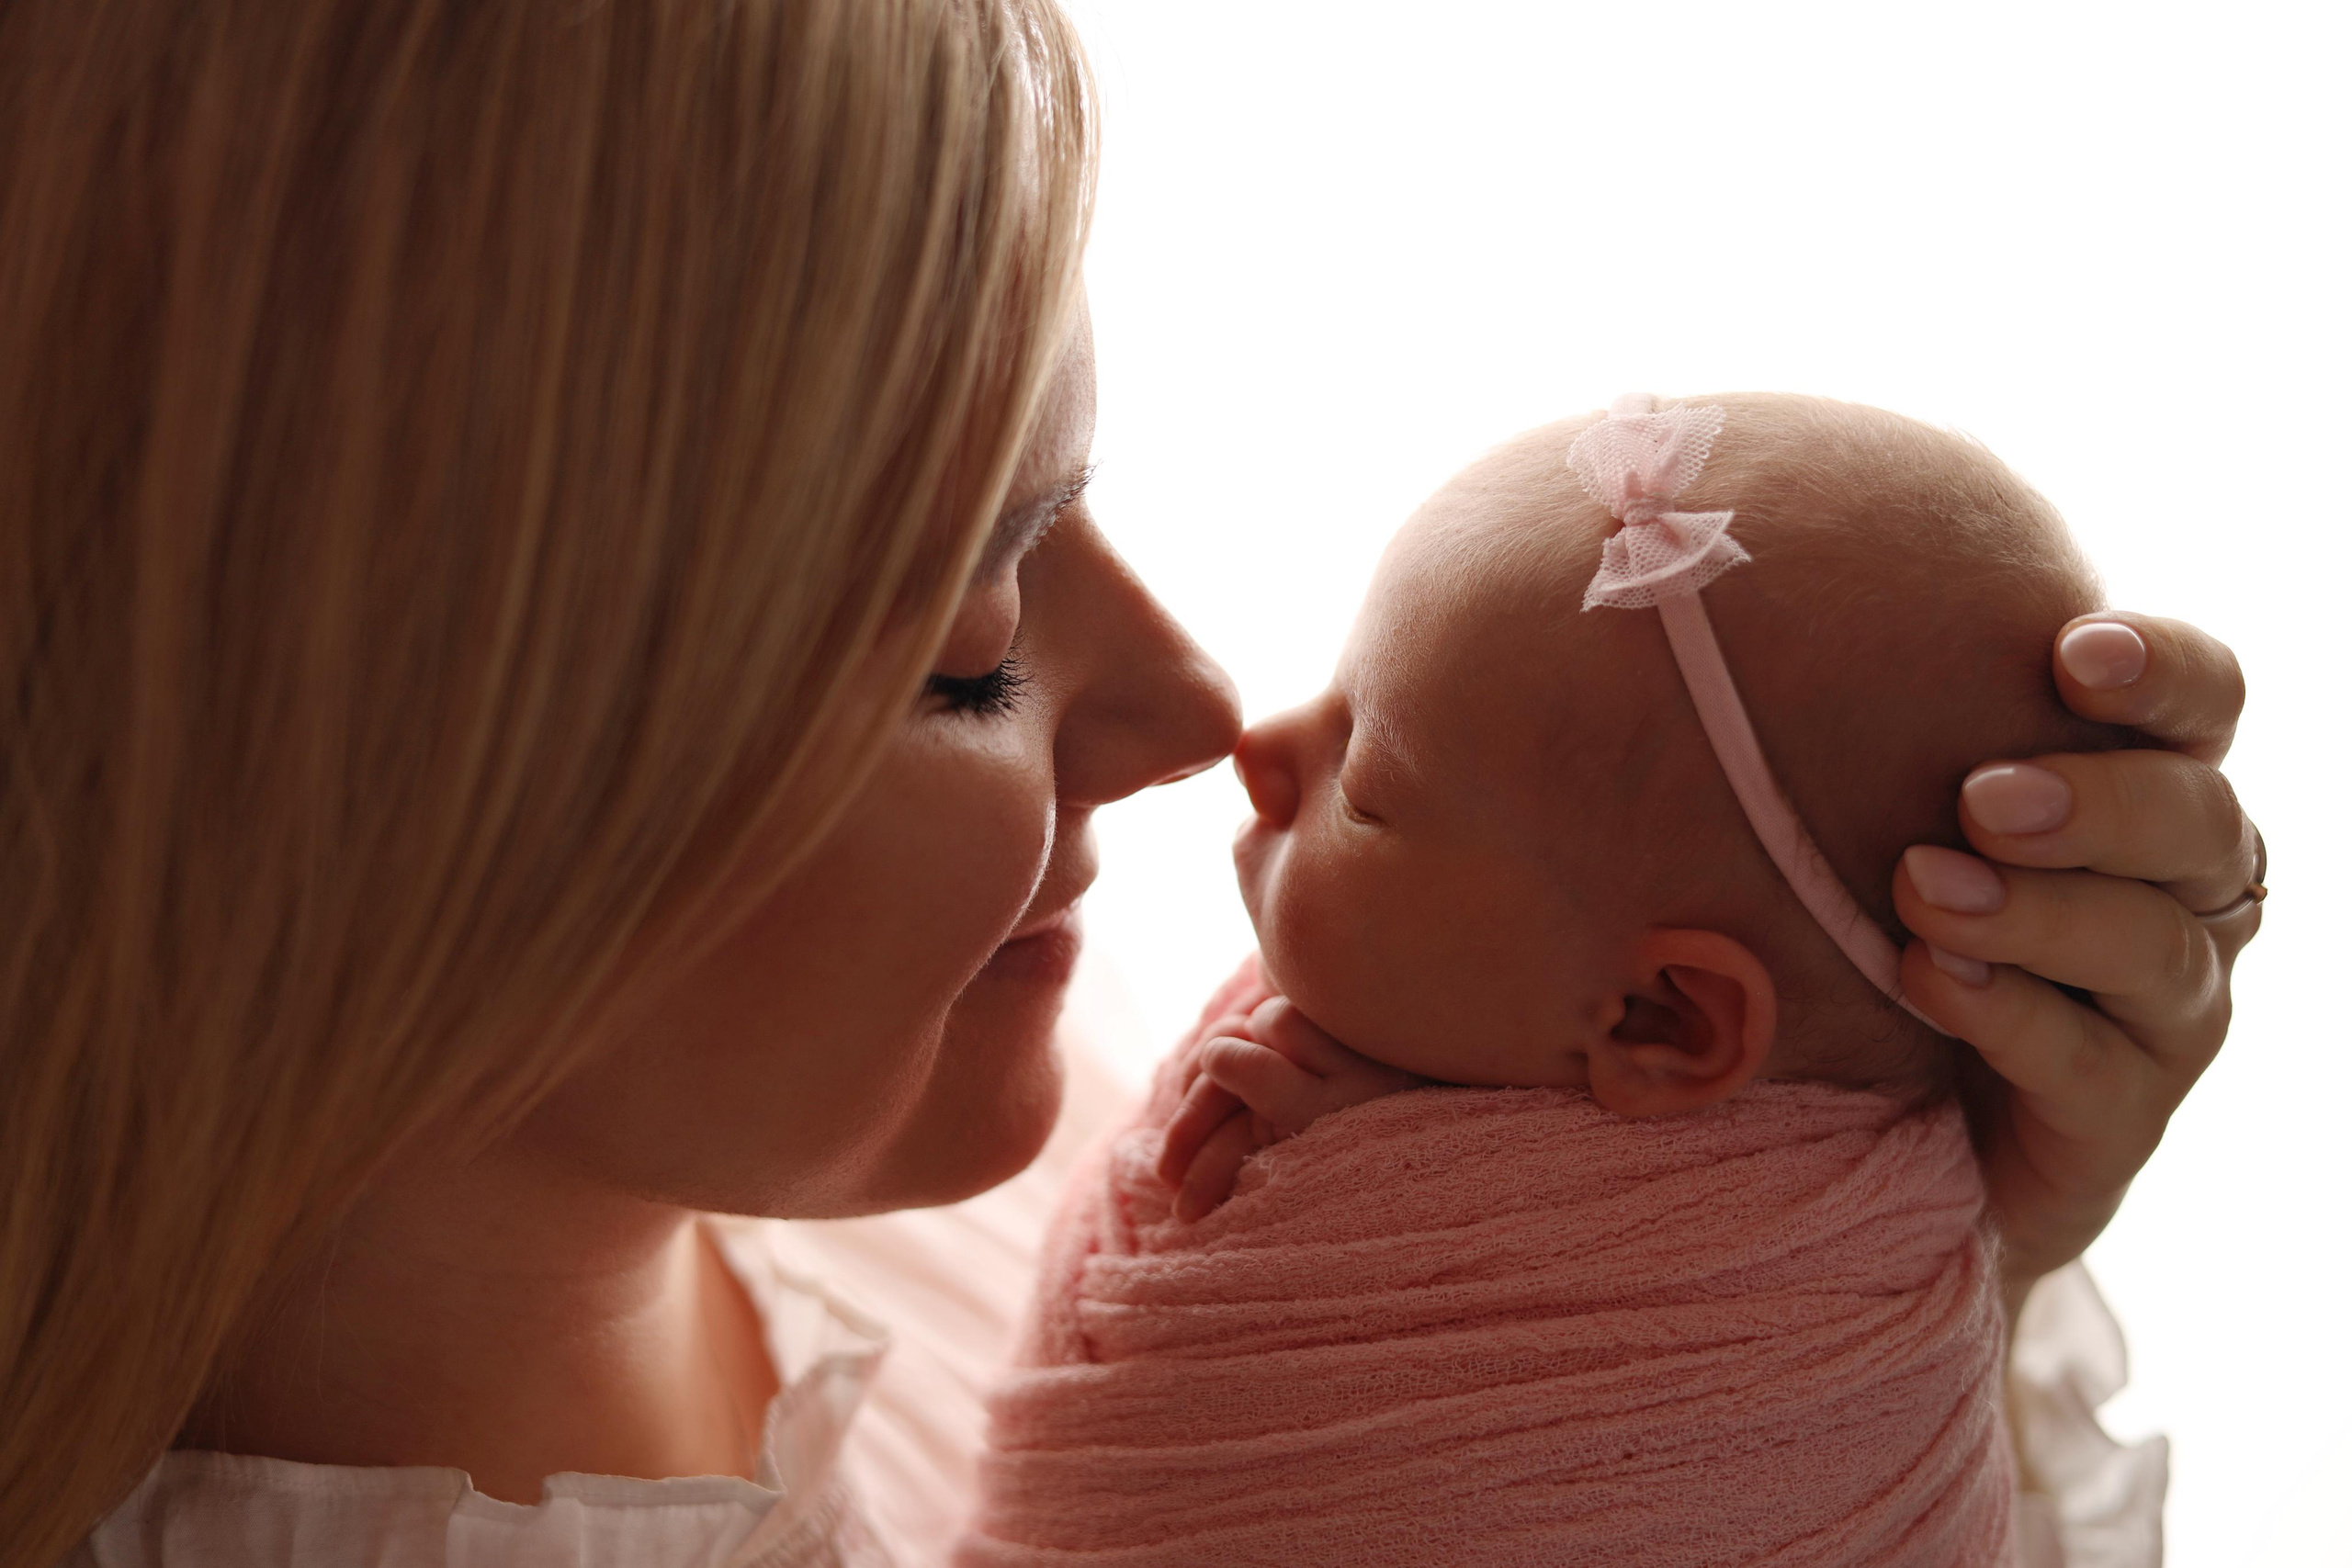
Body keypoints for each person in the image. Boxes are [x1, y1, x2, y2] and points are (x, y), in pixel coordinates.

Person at [0, 4, 2261, 1565]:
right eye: (970, 651)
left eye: (1072, 503)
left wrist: (1846, 1292)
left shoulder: (1148, 1184)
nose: (1195, 707)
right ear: (388, 804)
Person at [963, 391, 2164, 1564]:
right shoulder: (1443, 1018)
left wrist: (1370, 1195)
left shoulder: (1803, 1308)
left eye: (1367, 786)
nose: (1255, 747)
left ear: (1658, 1020)